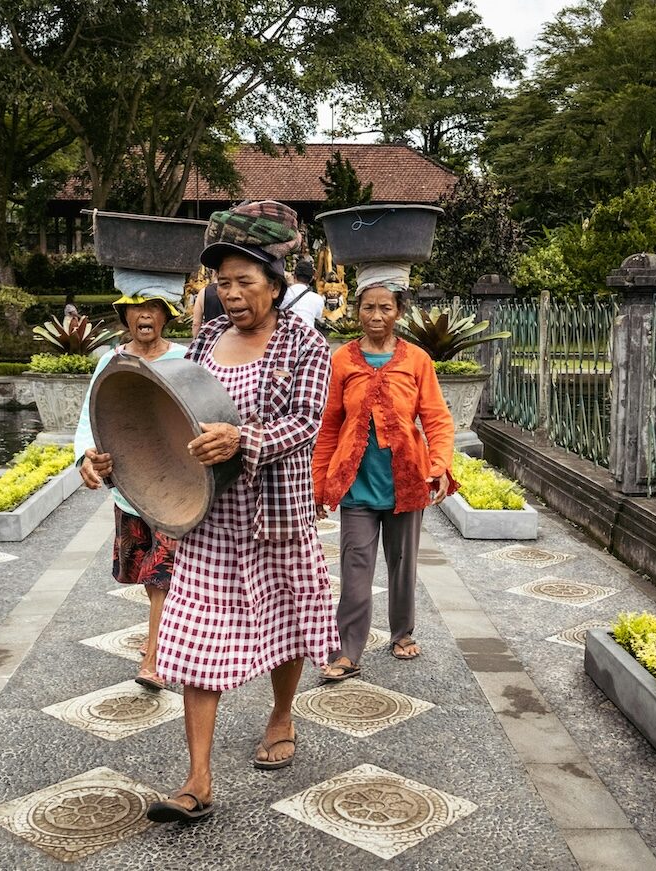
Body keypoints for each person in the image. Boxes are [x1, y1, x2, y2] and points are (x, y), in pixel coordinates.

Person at [145, 201, 337, 824]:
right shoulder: (202, 342)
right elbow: (166, 412)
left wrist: (242, 440)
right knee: (196, 638)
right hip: (207, 519)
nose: (230, 295)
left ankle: (280, 716)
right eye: (221, 283)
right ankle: (197, 779)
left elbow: (304, 424)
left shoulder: (305, 344)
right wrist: (111, 456)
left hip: (277, 517)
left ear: (277, 285)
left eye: (244, 282)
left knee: (287, 623)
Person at [311, 280, 455, 680]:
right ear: (357, 311)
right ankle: (347, 651)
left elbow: (436, 418)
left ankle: (402, 632)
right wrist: (319, 485)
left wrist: (439, 465)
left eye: (385, 308)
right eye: (368, 308)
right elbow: (328, 426)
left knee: (403, 563)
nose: (376, 316)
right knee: (355, 567)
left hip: (405, 481)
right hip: (356, 483)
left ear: (399, 313)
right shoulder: (341, 359)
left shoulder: (417, 360)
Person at [75, 291, 187, 691]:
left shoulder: (186, 360)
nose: (145, 316)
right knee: (145, 568)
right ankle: (158, 631)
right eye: (136, 309)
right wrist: (85, 460)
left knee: (163, 571)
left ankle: (155, 656)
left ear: (165, 317)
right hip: (129, 485)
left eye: (154, 308)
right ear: (125, 317)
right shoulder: (111, 361)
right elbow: (91, 415)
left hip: (177, 488)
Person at [281, 260, 324, 329]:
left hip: (286, 335)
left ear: (294, 275)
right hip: (307, 336)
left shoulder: (283, 293)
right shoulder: (318, 299)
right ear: (311, 279)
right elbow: (318, 316)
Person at [190, 270, 224, 337]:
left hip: (210, 337)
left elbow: (196, 323)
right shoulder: (232, 290)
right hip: (232, 338)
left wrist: (195, 341)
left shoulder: (203, 292)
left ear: (213, 274)